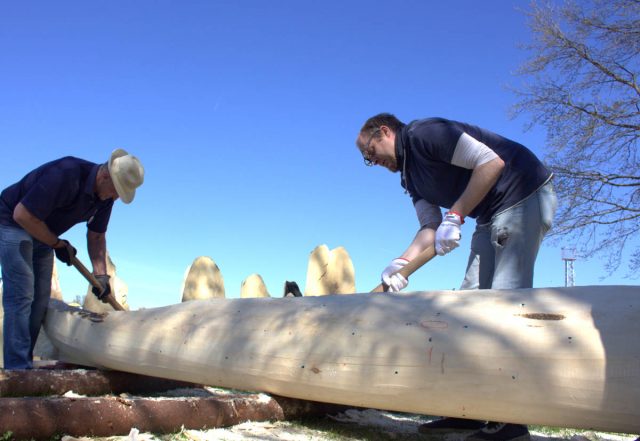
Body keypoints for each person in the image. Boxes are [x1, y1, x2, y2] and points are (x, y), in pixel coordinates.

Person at [355, 113, 557, 441]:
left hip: (523, 192)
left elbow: (491, 163)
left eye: (370, 151)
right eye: (367, 159)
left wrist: (457, 214)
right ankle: (470, 412)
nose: (371, 160)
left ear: (385, 131)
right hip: (488, 214)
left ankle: (511, 420)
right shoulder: (410, 178)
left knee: (505, 303)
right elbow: (430, 229)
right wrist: (400, 264)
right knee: (469, 308)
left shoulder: (426, 134)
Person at [0, 149, 144, 370]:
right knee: (21, 294)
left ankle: (23, 361)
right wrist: (57, 244)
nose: (116, 197)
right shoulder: (66, 174)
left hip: (44, 231)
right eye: (116, 191)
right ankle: (16, 370)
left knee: (39, 299)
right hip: (13, 222)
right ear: (105, 176)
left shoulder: (105, 198)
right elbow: (23, 214)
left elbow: (96, 235)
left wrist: (101, 276)